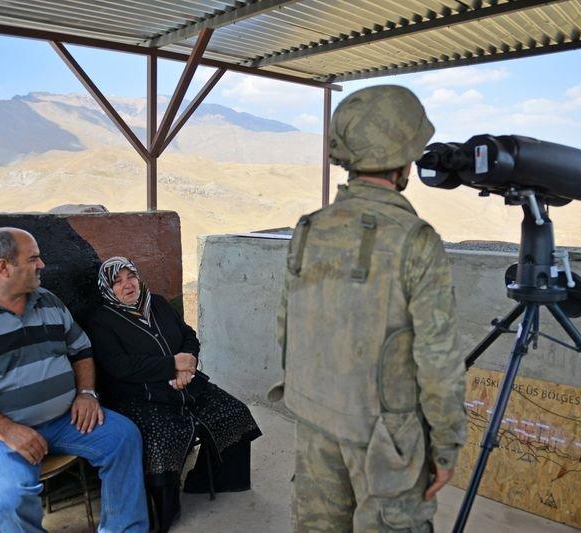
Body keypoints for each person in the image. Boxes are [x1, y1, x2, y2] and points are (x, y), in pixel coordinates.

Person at [270, 85, 467, 531]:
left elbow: (287, 331)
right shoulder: (416, 240)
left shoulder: (308, 229)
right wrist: (445, 448)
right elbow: (439, 363)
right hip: (386, 444)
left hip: (315, 424)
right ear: (404, 161)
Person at [0, 227, 148, 533]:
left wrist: (86, 393)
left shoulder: (49, 303)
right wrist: (8, 430)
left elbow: (81, 349)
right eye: (33, 258)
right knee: (8, 500)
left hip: (63, 420)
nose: (42, 265)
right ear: (3, 267)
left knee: (123, 437)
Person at [87, 256, 262, 532]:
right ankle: (164, 514)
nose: (127, 284)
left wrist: (187, 361)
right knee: (160, 441)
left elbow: (188, 334)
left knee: (234, 413)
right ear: (108, 289)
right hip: (143, 397)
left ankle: (205, 480)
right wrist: (171, 365)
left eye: (130, 276)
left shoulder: (156, 302)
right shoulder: (102, 321)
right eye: (117, 281)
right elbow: (120, 366)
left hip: (187, 384)